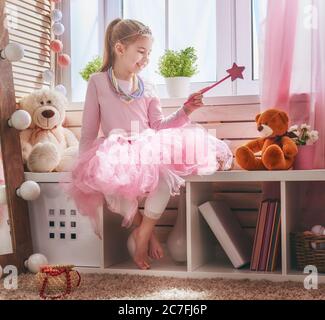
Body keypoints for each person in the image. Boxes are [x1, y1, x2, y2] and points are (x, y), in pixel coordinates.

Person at [64, 18, 233, 270]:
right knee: (113, 192)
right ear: (120, 48)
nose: (146, 59)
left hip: (147, 146)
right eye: (141, 52)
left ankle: (143, 233)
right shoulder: (98, 82)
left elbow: (158, 125)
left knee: (164, 180)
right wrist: (86, 167)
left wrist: (186, 109)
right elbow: (88, 131)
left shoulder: (148, 86)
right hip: (114, 150)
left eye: (149, 53)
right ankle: (149, 232)